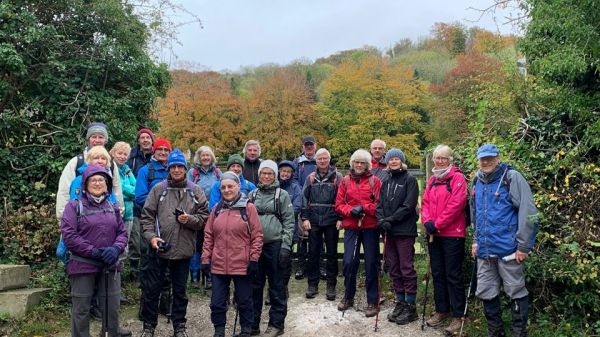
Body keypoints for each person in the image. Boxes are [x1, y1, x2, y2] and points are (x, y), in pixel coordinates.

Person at [139, 149, 210, 337]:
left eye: (180, 166)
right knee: (152, 290)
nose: (177, 170)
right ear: (168, 168)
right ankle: (149, 326)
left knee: (180, 291)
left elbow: (204, 217)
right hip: (159, 248)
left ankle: (179, 325)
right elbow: (146, 216)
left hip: (184, 248)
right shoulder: (158, 189)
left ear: (185, 169)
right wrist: (152, 237)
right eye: (173, 166)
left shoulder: (195, 190)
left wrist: (190, 220)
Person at [471, 144, 538, 337]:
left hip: (509, 250)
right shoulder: (477, 180)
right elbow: (475, 214)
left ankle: (518, 333)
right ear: (478, 159)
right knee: (485, 291)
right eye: (483, 158)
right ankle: (496, 332)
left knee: (516, 291)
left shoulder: (512, 177)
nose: (486, 161)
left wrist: (524, 246)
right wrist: (476, 240)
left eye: (490, 157)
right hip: (484, 250)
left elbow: (529, 213)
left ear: (498, 157)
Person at [61, 164, 129, 337]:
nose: (98, 183)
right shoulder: (74, 206)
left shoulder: (113, 207)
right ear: (85, 183)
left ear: (107, 184)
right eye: (94, 180)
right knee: (81, 309)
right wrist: (94, 252)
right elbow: (69, 235)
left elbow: (122, 232)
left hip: (110, 264)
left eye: (101, 180)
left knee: (111, 309)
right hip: (82, 264)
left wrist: (115, 248)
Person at [202, 172, 264, 337]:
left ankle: (245, 330)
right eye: (223, 187)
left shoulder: (248, 208)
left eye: (230, 186)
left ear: (238, 186)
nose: (227, 190)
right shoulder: (216, 210)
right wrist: (205, 259)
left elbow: (257, 236)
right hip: (219, 264)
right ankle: (219, 331)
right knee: (216, 303)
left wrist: (254, 259)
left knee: (244, 301)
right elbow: (208, 236)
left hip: (242, 263)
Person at [420, 145, 468, 333]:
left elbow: (457, 205)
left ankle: (458, 315)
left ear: (450, 160)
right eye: (437, 158)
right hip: (434, 234)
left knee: (453, 275)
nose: (439, 161)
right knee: (438, 273)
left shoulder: (457, 178)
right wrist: (427, 221)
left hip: (452, 234)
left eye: (443, 158)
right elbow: (425, 202)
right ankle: (442, 310)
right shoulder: (432, 180)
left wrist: (437, 223)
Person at [249, 160, 294, 337]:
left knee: (277, 286)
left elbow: (289, 222)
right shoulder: (252, 194)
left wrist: (285, 247)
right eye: (263, 173)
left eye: (270, 173)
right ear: (259, 175)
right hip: (255, 246)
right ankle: (252, 323)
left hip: (275, 245)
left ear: (275, 175)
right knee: (254, 286)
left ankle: (276, 324)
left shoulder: (281, 195)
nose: (266, 176)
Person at [335, 149, 382, 318]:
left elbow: (379, 204)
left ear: (368, 164)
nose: (359, 165)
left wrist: (365, 208)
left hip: (369, 226)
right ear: (352, 163)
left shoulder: (374, 181)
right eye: (356, 162)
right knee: (348, 261)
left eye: (362, 162)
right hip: (352, 226)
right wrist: (350, 210)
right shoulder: (346, 181)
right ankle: (348, 296)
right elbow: (339, 204)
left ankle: (372, 300)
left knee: (371, 263)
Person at [376, 148, 420, 325]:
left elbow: (408, 205)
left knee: (406, 267)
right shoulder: (385, 180)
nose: (393, 161)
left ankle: (410, 306)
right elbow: (379, 203)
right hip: (389, 230)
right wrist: (381, 220)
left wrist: (391, 220)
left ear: (401, 161)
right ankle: (400, 302)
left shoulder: (410, 180)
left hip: (404, 230)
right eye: (391, 159)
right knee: (393, 267)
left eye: (396, 159)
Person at [56, 122, 124, 220]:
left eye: (101, 137)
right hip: (78, 219)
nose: (97, 140)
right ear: (88, 139)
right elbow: (64, 192)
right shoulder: (76, 162)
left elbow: (117, 191)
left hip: (106, 220)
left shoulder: (111, 165)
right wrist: (63, 219)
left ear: (105, 140)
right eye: (94, 137)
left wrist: (119, 215)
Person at [301, 148, 343, 301]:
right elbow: (304, 198)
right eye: (320, 159)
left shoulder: (337, 177)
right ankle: (312, 285)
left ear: (329, 159)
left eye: (325, 158)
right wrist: (305, 218)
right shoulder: (310, 178)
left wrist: (340, 217)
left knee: (331, 254)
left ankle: (331, 286)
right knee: (313, 253)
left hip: (332, 220)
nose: (322, 161)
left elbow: (342, 198)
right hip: (314, 220)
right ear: (316, 161)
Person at [132, 138, 172, 288]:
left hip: (170, 221)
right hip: (150, 219)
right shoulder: (145, 171)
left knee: (168, 253)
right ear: (154, 151)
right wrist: (161, 204)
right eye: (159, 149)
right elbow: (140, 197)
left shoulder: (175, 169)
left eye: (166, 150)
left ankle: (166, 291)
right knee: (148, 253)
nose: (162, 152)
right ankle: (146, 289)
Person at [188, 146, 222, 289]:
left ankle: (208, 275)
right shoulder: (192, 172)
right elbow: (188, 190)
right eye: (203, 155)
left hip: (214, 212)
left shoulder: (217, 172)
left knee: (210, 244)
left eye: (208, 155)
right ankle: (195, 276)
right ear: (199, 157)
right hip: (197, 212)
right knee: (196, 244)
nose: (206, 158)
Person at [290, 135, 318, 280]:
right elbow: (293, 180)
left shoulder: (321, 160)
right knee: (302, 237)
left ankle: (319, 266)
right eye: (306, 145)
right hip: (303, 203)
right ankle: (301, 266)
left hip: (318, 203)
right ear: (302, 147)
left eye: (311, 145)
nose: (309, 148)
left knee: (319, 237)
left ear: (315, 146)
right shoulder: (297, 162)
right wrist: (304, 194)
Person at [277, 160, 302, 294]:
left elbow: (297, 207)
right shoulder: (274, 186)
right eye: (283, 171)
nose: (285, 174)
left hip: (289, 229)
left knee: (285, 260)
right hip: (273, 230)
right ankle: (273, 288)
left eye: (288, 171)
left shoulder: (295, 188)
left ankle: (283, 287)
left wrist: (280, 215)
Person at [110, 142, 137, 257]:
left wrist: (128, 190)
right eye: (119, 153)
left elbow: (137, 188)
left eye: (125, 154)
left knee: (124, 245)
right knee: (113, 243)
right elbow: (117, 189)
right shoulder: (110, 168)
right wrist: (129, 191)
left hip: (129, 213)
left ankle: (119, 272)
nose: (122, 156)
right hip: (115, 213)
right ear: (113, 153)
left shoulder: (127, 170)